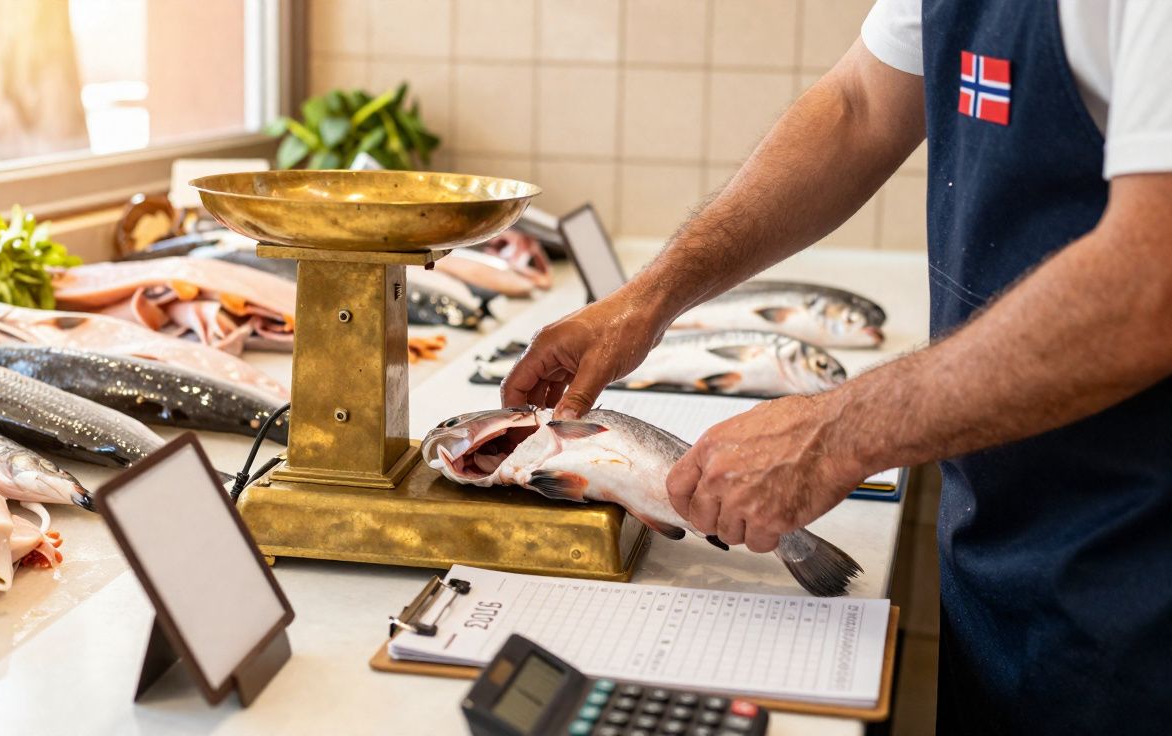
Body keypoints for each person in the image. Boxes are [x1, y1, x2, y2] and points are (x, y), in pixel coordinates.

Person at [501, 0, 1172, 732]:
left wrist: (834, 431)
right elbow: (857, 108)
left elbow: (1152, 284)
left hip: (1140, 572)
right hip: (1006, 540)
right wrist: (645, 301)